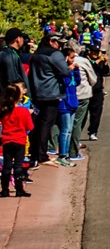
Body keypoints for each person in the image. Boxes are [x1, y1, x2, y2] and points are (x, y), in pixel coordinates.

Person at [27, 33, 67, 168]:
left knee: (37, 124)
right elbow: (65, 71)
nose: (60, 46)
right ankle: (41, 155)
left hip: (37, 92)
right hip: (51, 93)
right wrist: (70, 66)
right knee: (46, 125)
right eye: (58, 43)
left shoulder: (37, 54)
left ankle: (35, 153)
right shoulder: (55, 54)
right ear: (51, 42)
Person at [0, 85, 31, 196]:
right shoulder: (23, 111)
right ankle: (19, 189)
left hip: (7, 141)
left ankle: (4, 190)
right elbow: (30, 126)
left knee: (6, 167)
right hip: (20, 141)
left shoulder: (4, 111)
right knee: (18, 166)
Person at [85, 45, 110, 140]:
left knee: (96, 113)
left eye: (97, 52)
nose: (96, 54)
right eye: (94, 52)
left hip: (97, 90)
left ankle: (93, 132)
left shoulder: (99, 61)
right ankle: (76, 134)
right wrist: (99, 60)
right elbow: (91, 68)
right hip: (86, 89)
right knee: (83, 114)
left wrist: (105, 62)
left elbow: (105, 71)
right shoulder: (85, 60)